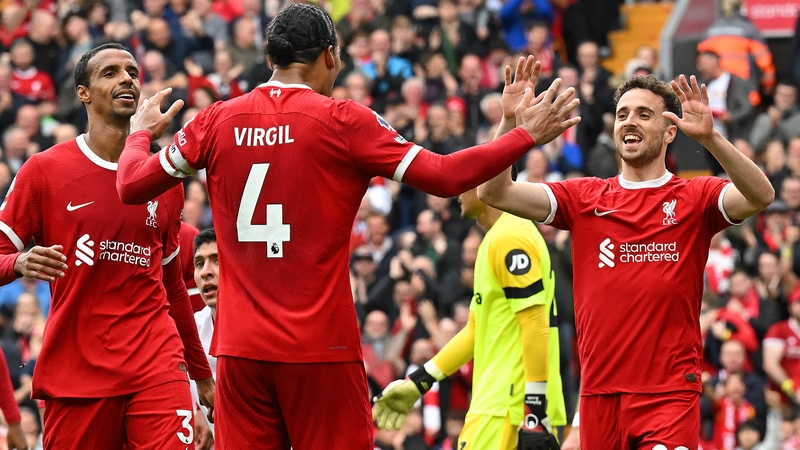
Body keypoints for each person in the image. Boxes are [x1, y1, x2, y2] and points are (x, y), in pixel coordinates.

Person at [114, 3, 580, 448]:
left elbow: (131, 183)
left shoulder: (216, 120)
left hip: (239, 352)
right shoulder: (342, 120)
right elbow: (445, 176)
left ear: (270, 57)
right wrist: (523, 134)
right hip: (320, 350)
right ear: (330, 55)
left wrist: (138, 132)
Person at [477, 73, 774, 449]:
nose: (629, 121)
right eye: (622, 114)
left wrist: (711, 139)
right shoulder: (584, 197)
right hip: (600, 395)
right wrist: (510, 123)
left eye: (644, 114)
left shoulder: (695, 198)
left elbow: (761, 194)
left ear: (670, 131)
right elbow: (492, 191)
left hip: (668, 393)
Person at [0, 42, 215, 448]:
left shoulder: (163, 179)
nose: (127, 80)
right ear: (83, 92)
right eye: (110, 72)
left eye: (132, 72)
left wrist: (200, 374)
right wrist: (19, 262)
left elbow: (171, 286)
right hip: (79, 368)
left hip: (156, 361)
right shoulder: (44, 170)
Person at [372, 174, 566, 449]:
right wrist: (419, 381)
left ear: (489, 183)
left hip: (511, 410)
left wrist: (533, 409)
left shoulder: (510, 235)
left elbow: (535, 322)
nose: (455, 191)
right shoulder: (497, 236)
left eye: (465, 181)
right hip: (500, 406)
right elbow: (475, 331)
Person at [190, 227, 218, 450]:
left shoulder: (266, 328)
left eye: (216, 260)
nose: (205, 272)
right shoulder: (192, 330)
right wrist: (195, 410)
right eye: (199, 263)